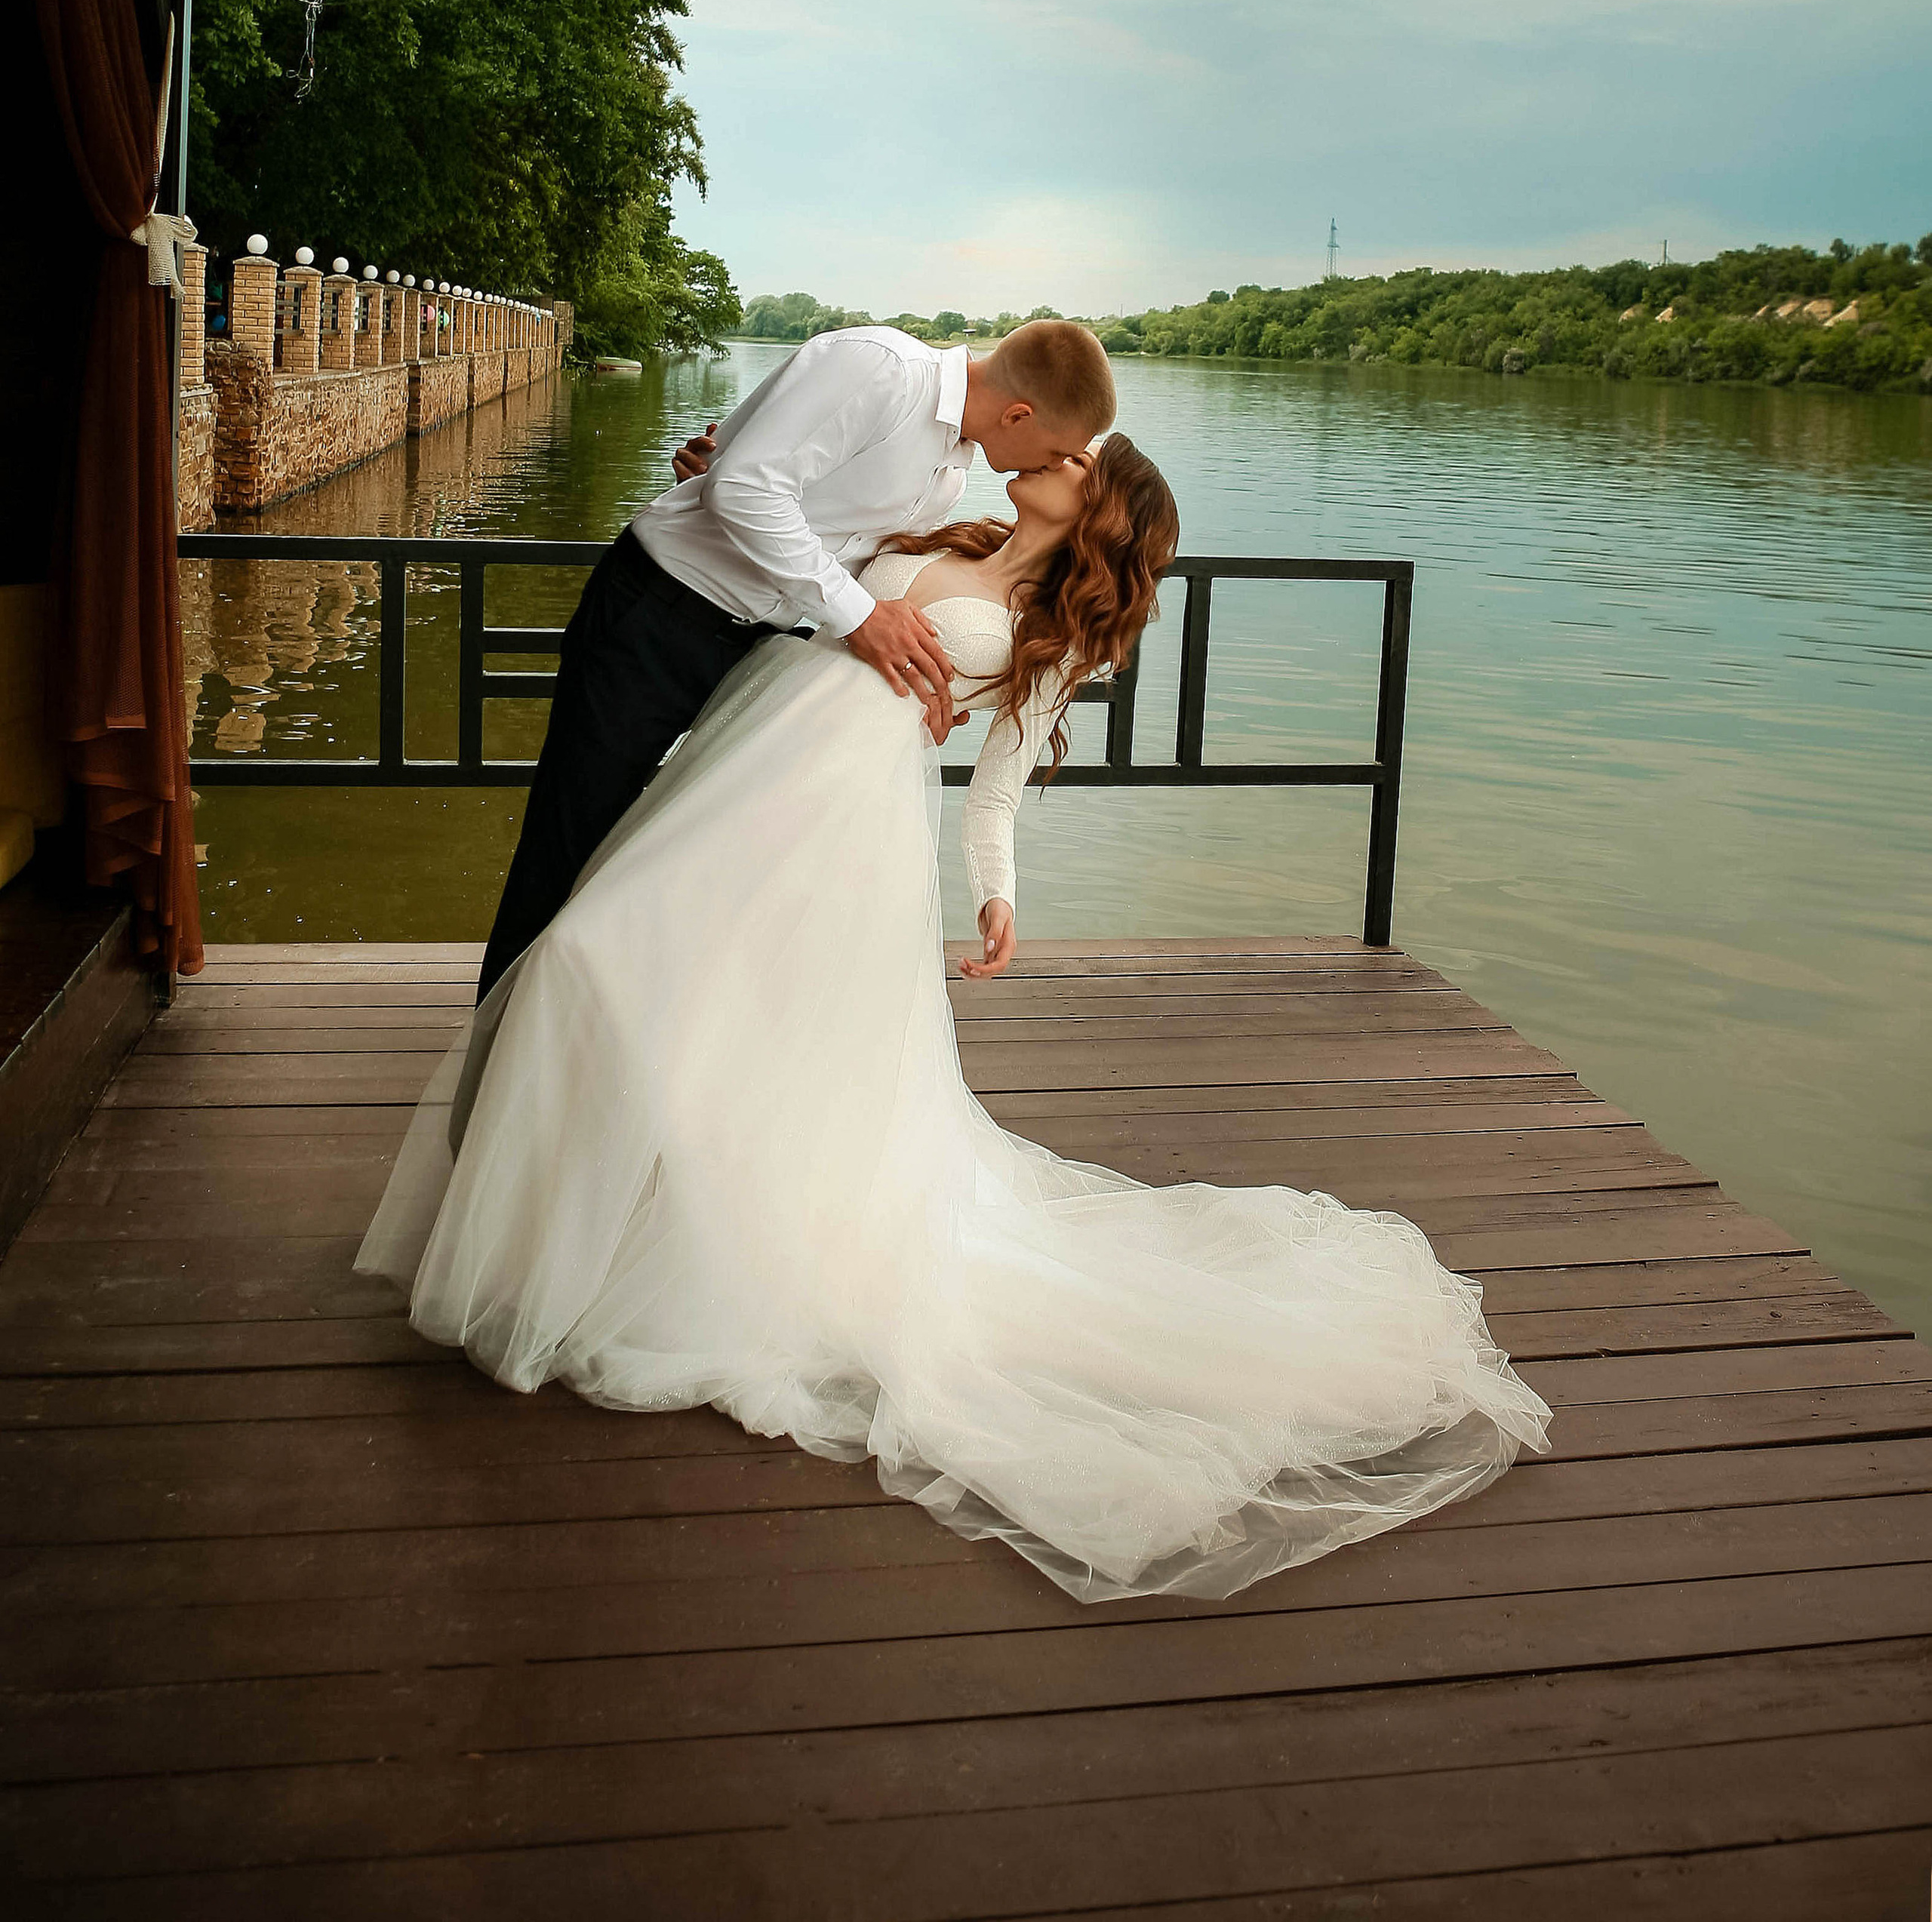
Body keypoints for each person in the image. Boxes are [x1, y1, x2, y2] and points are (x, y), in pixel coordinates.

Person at [361, 433, 1549, 1605]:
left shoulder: (1052, 628)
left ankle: (659, 1240)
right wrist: (724, 475)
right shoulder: (927, 528)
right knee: (588, 962)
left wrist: (997, 895)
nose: (1053, 454)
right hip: (732, 771)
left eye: (1082, 459)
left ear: (1105, 513)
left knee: (713, 1021)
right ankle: (586, 1220)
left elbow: (999, 779)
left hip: (838, 826)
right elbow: (799, 563)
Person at [475, 318, 1118, 1001]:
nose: (1040, 467)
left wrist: (930, 682)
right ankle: (498, 1079)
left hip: (759, 659)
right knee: (570, 850)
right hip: (659, 618)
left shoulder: (951, 474)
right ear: (1020, 413)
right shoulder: (880, 370)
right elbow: (746, 489)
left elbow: (810, 522)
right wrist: (860, 615)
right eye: (1054, 451)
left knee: (660, 872)